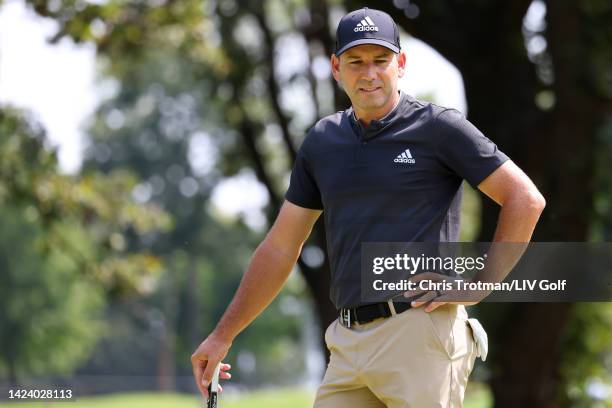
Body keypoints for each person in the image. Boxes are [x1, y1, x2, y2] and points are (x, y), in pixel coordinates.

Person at [191, 7, 546, 407]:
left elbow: (525, 198)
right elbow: (280, 247)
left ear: (401, 64)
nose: (370, 73)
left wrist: (481, 284)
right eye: (356, 62)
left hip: (419, 331)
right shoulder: (322, 142)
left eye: (381, 61)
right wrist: (223, 334)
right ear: (336, 68)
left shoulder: (438, 128)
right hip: (346, 342)